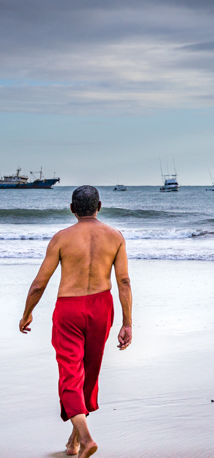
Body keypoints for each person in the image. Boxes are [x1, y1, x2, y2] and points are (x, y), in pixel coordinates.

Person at [19, 185, 133, 458]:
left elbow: (39, 284)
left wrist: (27, 313)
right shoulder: (115, 237)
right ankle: (73, 444)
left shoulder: (61, 238)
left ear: (72, 209)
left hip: (69, 309)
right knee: (89, 373)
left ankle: (85, 438)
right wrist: (127, 322)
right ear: (99, 206)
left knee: (70, 373)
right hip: (101, 307)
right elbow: (124, 281)